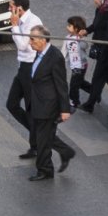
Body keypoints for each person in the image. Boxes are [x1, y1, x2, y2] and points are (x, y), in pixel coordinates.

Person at [24, 26, 76, 180]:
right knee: (45, 137)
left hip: (48, 106)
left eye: (32, 39)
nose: (29, 42)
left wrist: (65, 109)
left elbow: (61, 85)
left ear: (42, 39)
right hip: (38, 103)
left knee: (42, 140)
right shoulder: (39, 53)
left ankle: (45, 170)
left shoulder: (54, 56)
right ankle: (65, 152)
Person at [6, 0, 44, 159]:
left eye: (11, 5)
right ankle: (36, 132)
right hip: (22, 68)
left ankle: (36, 145)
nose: (9, 8)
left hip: (31, 68)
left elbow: (22, 45)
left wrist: (14, 26)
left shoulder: (33, 22)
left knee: (30, 108)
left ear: (19, 8)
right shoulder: (21, 21)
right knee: (12, 104)